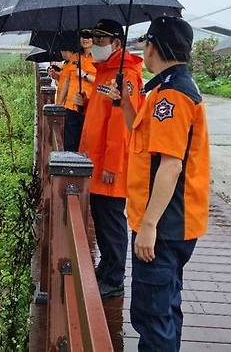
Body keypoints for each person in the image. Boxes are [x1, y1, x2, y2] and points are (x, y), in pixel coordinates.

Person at [105, 16, 210, 352]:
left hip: (164, 226)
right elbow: (142, 133)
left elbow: (170, 165)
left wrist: (149, 225)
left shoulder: (172, 96)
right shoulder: (166, 89)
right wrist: (124, 103)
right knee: (165, 307)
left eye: (146, 44)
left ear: (153, 47)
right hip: (171, 223)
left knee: (152, 316)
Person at [75, 19, 143, 299]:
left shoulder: (124, 76)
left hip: (109, 166)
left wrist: (113, 167)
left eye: (103, 39)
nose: (97, 44)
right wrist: (85, 104)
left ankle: (114, 279)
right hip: (96, 162)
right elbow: (101, 113)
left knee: (112, 221)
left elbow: (120, 126)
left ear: (117, 42)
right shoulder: (104, 73)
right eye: (95, 37)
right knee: (101, 219)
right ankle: (107, 266)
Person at [60, 33, 96, 151]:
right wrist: (59, 104)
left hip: (89, 108)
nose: (86, 39)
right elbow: (66, 81)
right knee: (70, 144)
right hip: (71, 107)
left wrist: (85, 75)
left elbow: (101, 82)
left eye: (89, 36)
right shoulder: (75, 57)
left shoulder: (98, 58)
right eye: (83, 36)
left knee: (86, 145)